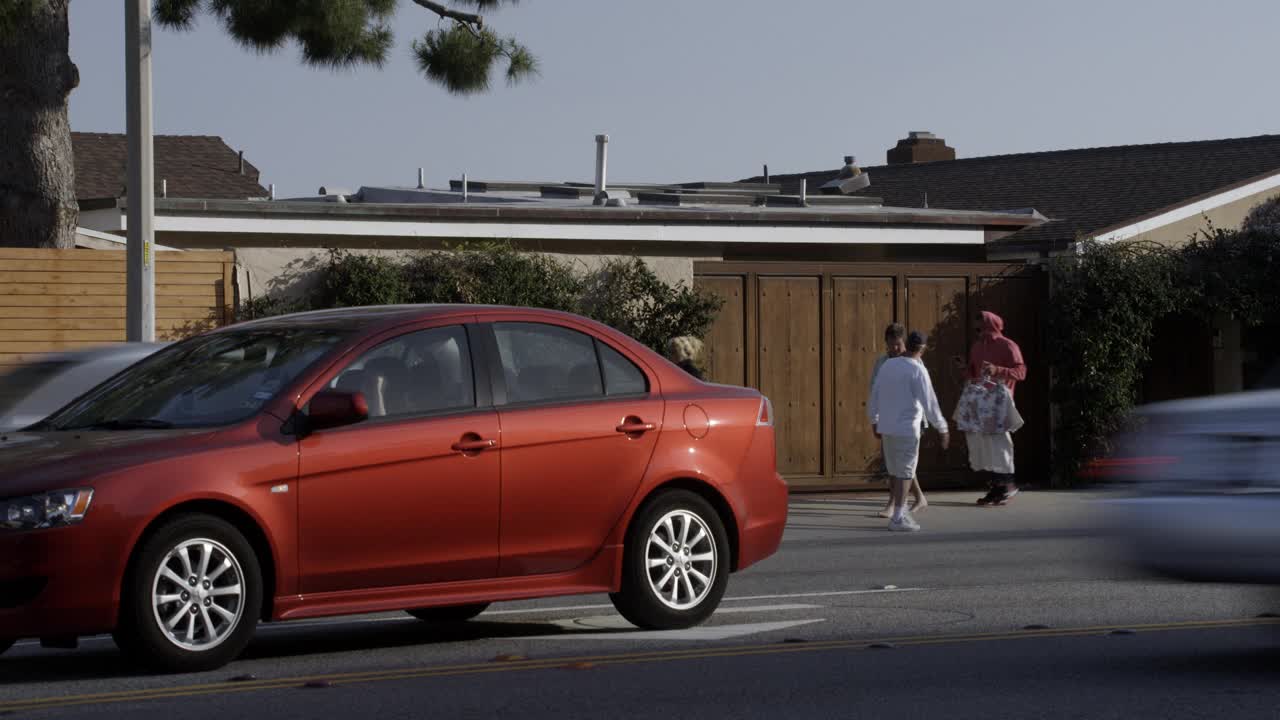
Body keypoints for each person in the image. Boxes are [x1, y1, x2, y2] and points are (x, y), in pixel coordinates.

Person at [868, 330, 950, 532]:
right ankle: (898, 517)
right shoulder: (918, 369)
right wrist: (942, 427)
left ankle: (900, 510)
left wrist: (874, 420)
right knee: (905, 472)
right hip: (907, 429)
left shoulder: (887, 365)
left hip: (887, 427)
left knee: (895, 470)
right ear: (922, 349)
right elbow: (929, 402)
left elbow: (874, 393)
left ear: (906, 345)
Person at [955, 311, 1027, 506]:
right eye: (976, 328)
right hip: (982, 402)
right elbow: (973, 374)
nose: (977, 331)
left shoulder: (1008, 345)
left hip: (1001, 404)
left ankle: (1008, 485)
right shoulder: (977, 347)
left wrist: (998, 370)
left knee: (1000, 442)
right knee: (985, 444)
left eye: (980, 327)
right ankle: (997, 488)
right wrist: (964, 368)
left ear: (990, 325)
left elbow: (1021, 372)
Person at [870, 323, 927, 517]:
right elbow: (875, 390)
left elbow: (923, 393)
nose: (895, 349)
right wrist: (875, 418)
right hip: (889, 418)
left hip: (910, 420)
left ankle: (893, 504)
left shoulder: (914, 362)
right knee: (899, 463)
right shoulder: (882, 362)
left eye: (899, 345)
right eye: (891, 345)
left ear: (905, 344)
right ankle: (919, 498)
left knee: (899, 463)